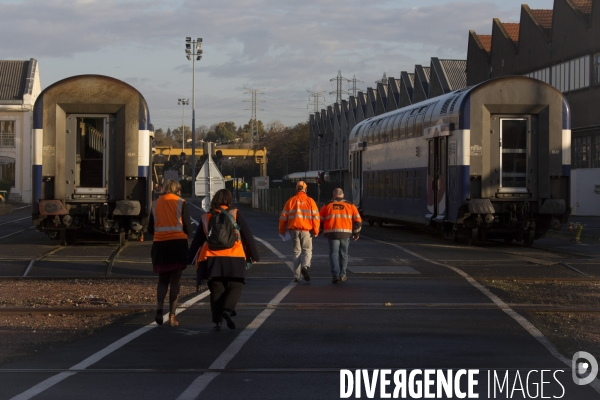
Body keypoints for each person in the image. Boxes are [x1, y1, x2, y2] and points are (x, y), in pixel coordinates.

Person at [187, 189, 259, 331]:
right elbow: (247, 236)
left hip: (212, 258)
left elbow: (197, 241)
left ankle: (216, 321)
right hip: (235, 257)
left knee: (216, 289)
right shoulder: (235, 214)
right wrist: (254, 255)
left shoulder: (206, 217)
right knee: (235, 286)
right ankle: (227, 310)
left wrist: (189, 259)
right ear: (229, 200)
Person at [148, 180, 191, 326]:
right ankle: (172, 317)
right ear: (178, 191)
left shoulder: (155, 203)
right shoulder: (181, 202)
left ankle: (159, 306)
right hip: (178, 244)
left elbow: (149, 228)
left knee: (162, 280)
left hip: (160, 245)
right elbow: (188, 228)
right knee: (175, 281)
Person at [279, 181, 320, 282]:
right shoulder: (310, 201)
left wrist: (282, 230)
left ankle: (296, 276)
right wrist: (316, 231)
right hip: (306, 231)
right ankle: (305, 267)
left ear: (296, 189)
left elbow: (283, 218)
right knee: (307, 250)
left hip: (294, 231)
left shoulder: (291, 201)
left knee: (296, 252)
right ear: (305, 189)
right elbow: (316, 217)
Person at [319, 188, 362, 283]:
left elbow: (320, 219)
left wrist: (319, 231)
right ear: (342, 195)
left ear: (334, 195)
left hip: (332, 233)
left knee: (333, 254)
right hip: (345, 234)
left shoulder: (327, 205)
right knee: (344, 254)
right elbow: (358, 221)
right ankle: (343, 275)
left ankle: (335, 275)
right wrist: (356, 233)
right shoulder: (350, 205)